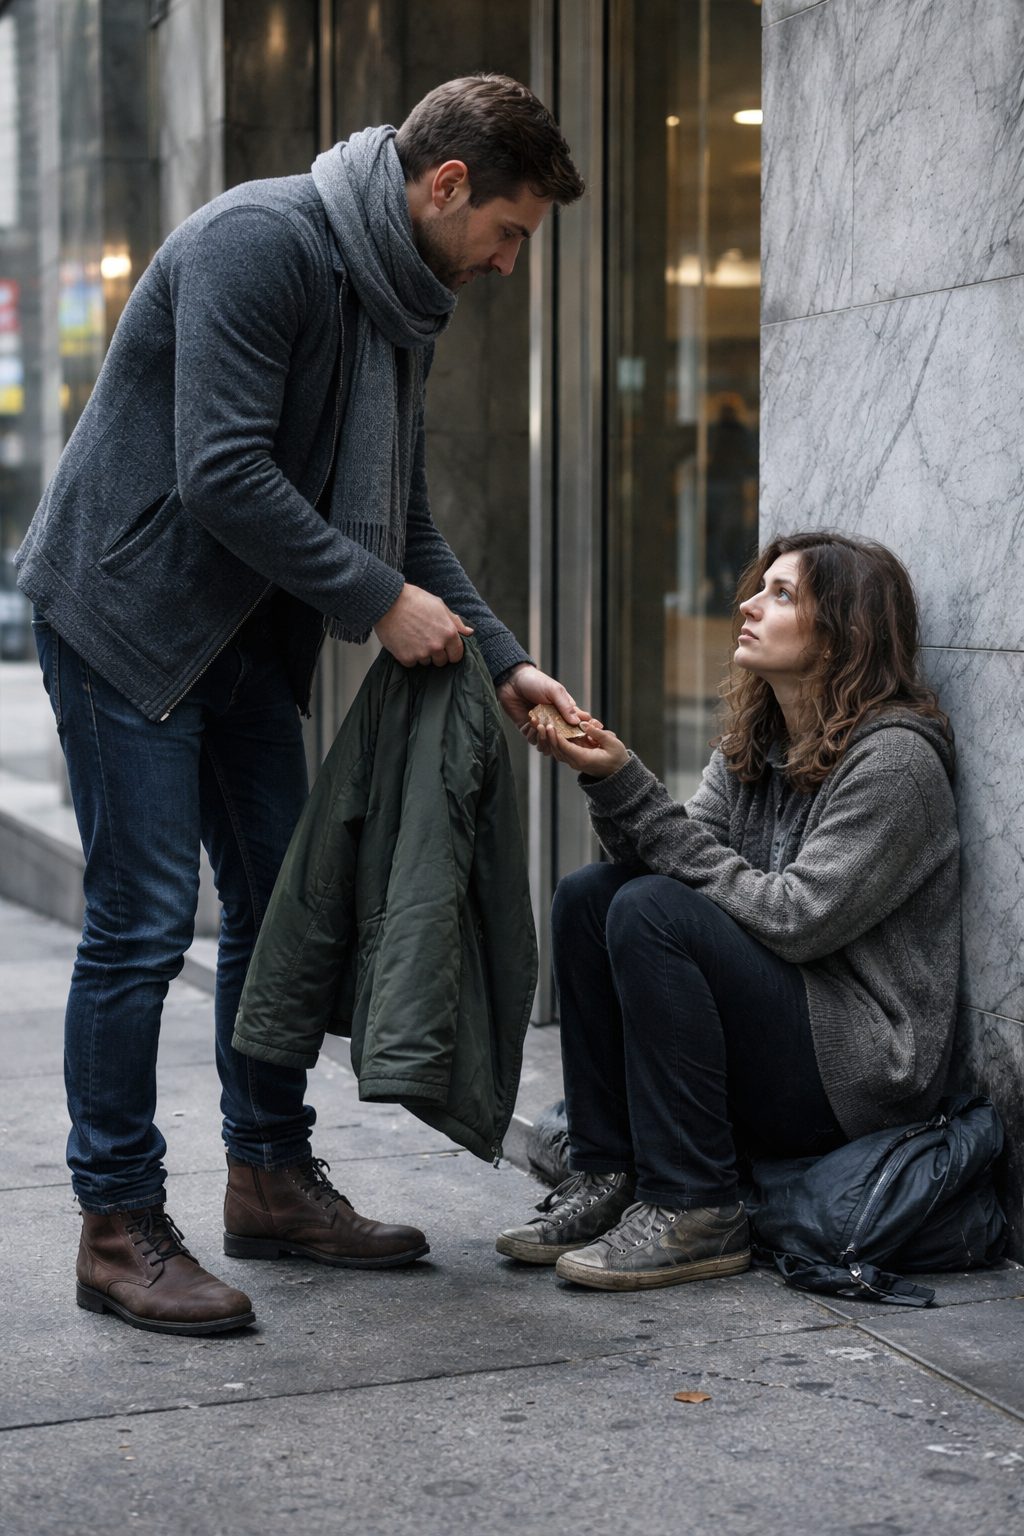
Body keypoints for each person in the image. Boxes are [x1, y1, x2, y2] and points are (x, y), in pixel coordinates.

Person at [16, 74, 584, 1335]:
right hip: (123, 612)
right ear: (447, 187)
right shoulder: (258, 242)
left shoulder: (399, 297)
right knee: (146, 919)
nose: (504, 265)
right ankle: (115, 1226)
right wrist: (380, 603)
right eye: (509, 233)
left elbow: (404, 513)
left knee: (281, 911)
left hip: (237, 642)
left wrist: (502, 658)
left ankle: (267, 1177)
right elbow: (220, 469)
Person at [497, 531, 960, 1292]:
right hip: (786, 1031)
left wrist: (635, 788)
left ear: (845, 632)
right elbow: (679, 858)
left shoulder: (897, 763)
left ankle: (695, 1206)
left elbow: (796, 918)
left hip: (861, 1072)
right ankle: (610, 1175)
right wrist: (611, 783)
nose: (747, 603)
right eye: (761, 587)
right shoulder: (759, 741)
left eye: (781, 595)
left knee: (650, 909)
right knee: (591, 897)